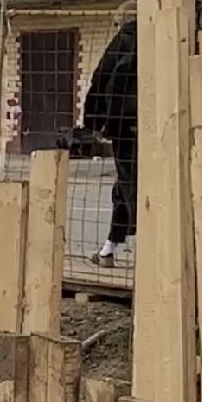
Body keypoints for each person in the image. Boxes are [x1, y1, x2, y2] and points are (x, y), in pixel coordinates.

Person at [81, 21, 138, 268]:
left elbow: (101, 76)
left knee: (131, 184)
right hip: (159, 124)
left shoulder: (125, 39)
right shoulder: (166, 33)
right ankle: (109, 248)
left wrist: (94, 121)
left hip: (126, 124)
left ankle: (147, 247)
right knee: (125, 185)